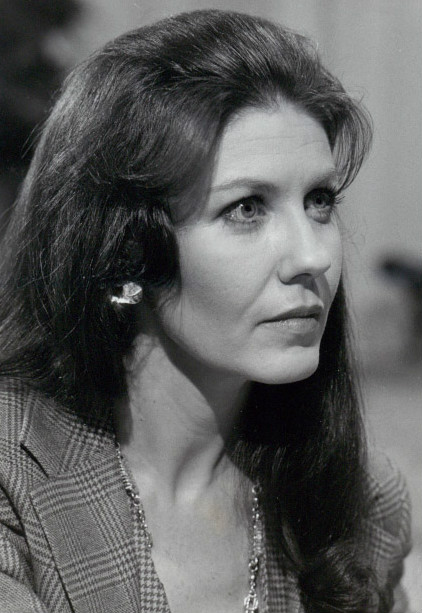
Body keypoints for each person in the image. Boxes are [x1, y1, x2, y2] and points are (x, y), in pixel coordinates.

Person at [0, 9, 411, 613]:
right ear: (128, 247)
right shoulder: (13, 479)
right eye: (246, 208)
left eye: (319, 201)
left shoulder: (363, 502)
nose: (313, 256)